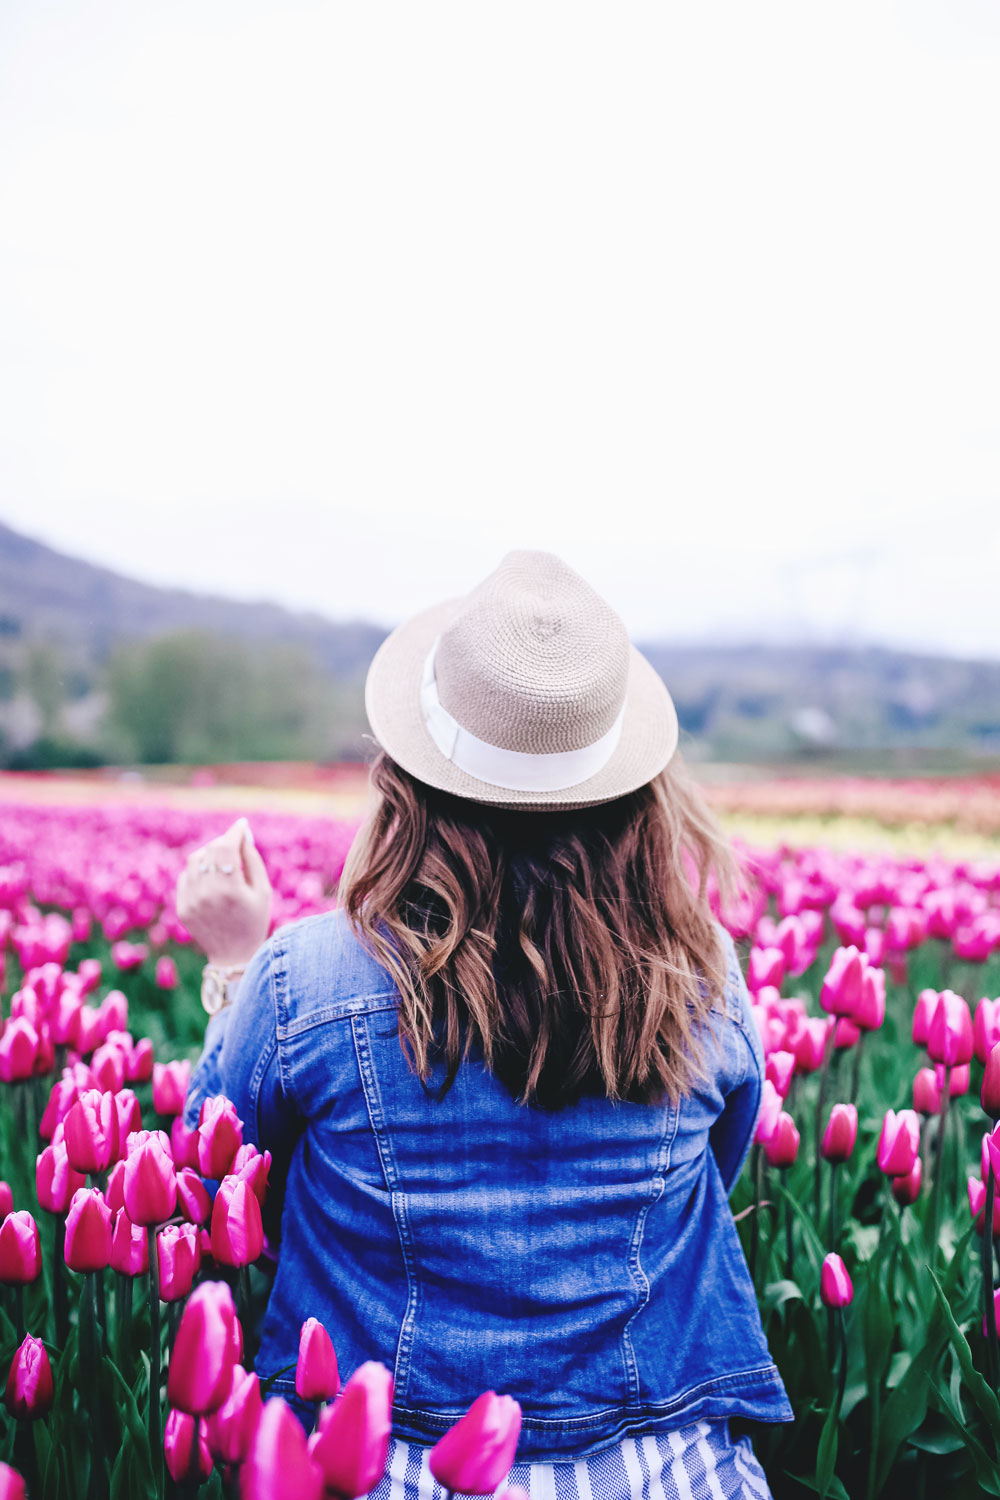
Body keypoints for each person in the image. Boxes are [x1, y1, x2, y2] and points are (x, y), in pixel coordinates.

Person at [181, 550, 791, 1500]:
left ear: (409, 780)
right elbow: (718, 1174)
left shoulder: (312, 975)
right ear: (636, 795)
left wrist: (232, 965)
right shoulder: (701, 977)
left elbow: (212, 1174)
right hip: (670, 1467)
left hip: (382, 1462)